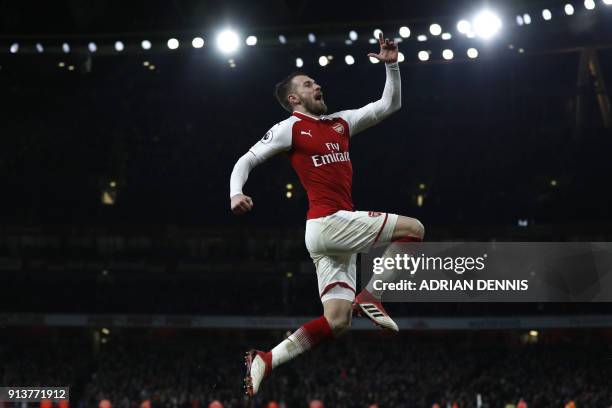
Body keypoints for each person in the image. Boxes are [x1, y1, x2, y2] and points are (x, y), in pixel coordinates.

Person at [229, 32, 425, 397]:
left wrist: (392, 65)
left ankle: (266, 359)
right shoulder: (291, 128)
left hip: (332, 235)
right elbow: (247, 159)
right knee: (414, 229)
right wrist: (236, 192)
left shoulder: (340, 122)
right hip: (329, 222)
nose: (316, 84)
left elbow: (388, 105)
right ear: (294, 98)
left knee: (337, 321)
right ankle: (373, 295)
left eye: (315, 81)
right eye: (307, 84)